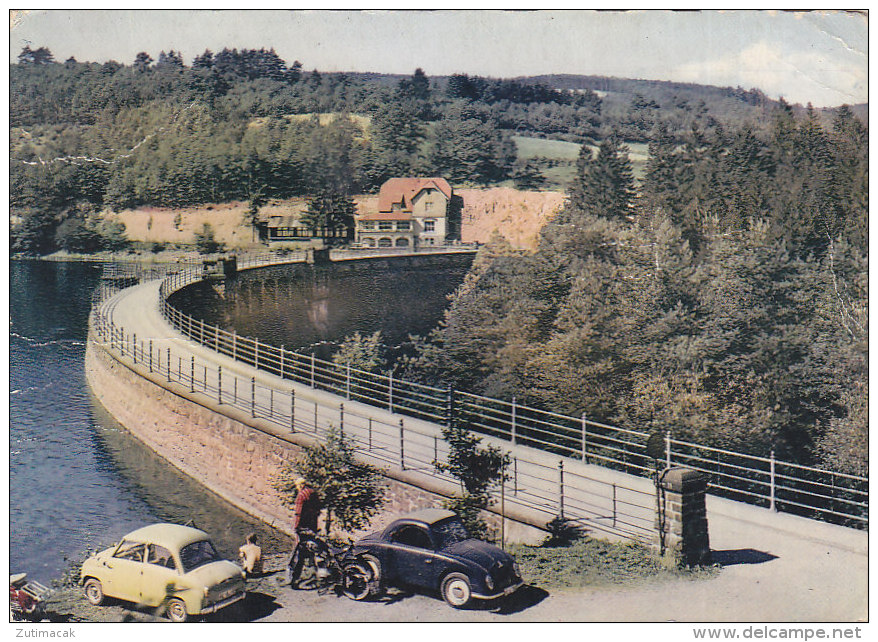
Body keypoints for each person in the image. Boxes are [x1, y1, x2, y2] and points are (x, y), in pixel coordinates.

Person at [285, 478, 323, 587]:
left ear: (300, 485)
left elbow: (298, 513)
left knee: (299, 553)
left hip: (303, 528)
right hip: (312, 526)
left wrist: (296, 527)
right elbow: (318, 508)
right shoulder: (313, 492)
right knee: (312, 550)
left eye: (297, 486)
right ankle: (316, 576)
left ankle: (294, 580)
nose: (297, 488)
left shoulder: (301, 496)